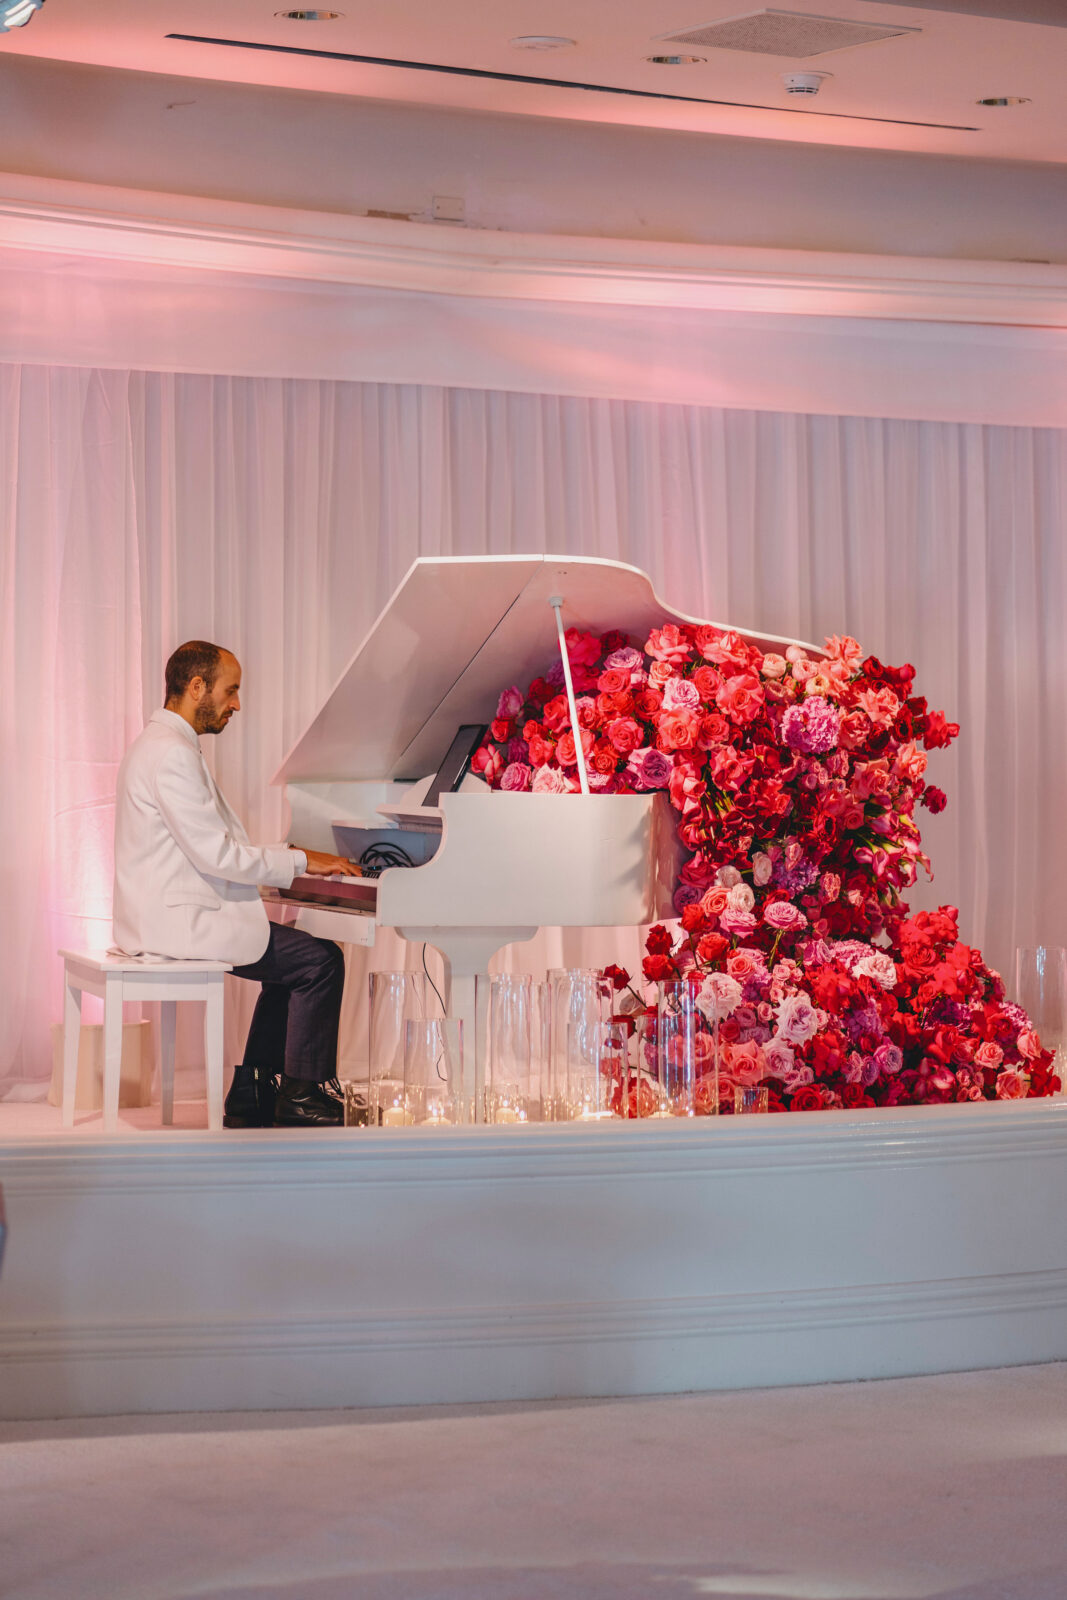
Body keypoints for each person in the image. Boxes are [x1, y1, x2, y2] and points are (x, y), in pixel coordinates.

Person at [112, 640, 361, 1128]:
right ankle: (301, 1096)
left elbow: (209, 849)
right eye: (232, 691)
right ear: (197, 686)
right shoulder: (171, 755)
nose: (237, 705)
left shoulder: (160, 745)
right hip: (176, 924)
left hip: (163, 913)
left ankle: (252, 1091)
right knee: (320, 961)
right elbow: (217, 854)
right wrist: (302, 860)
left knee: (292, 961)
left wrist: (287, 866)